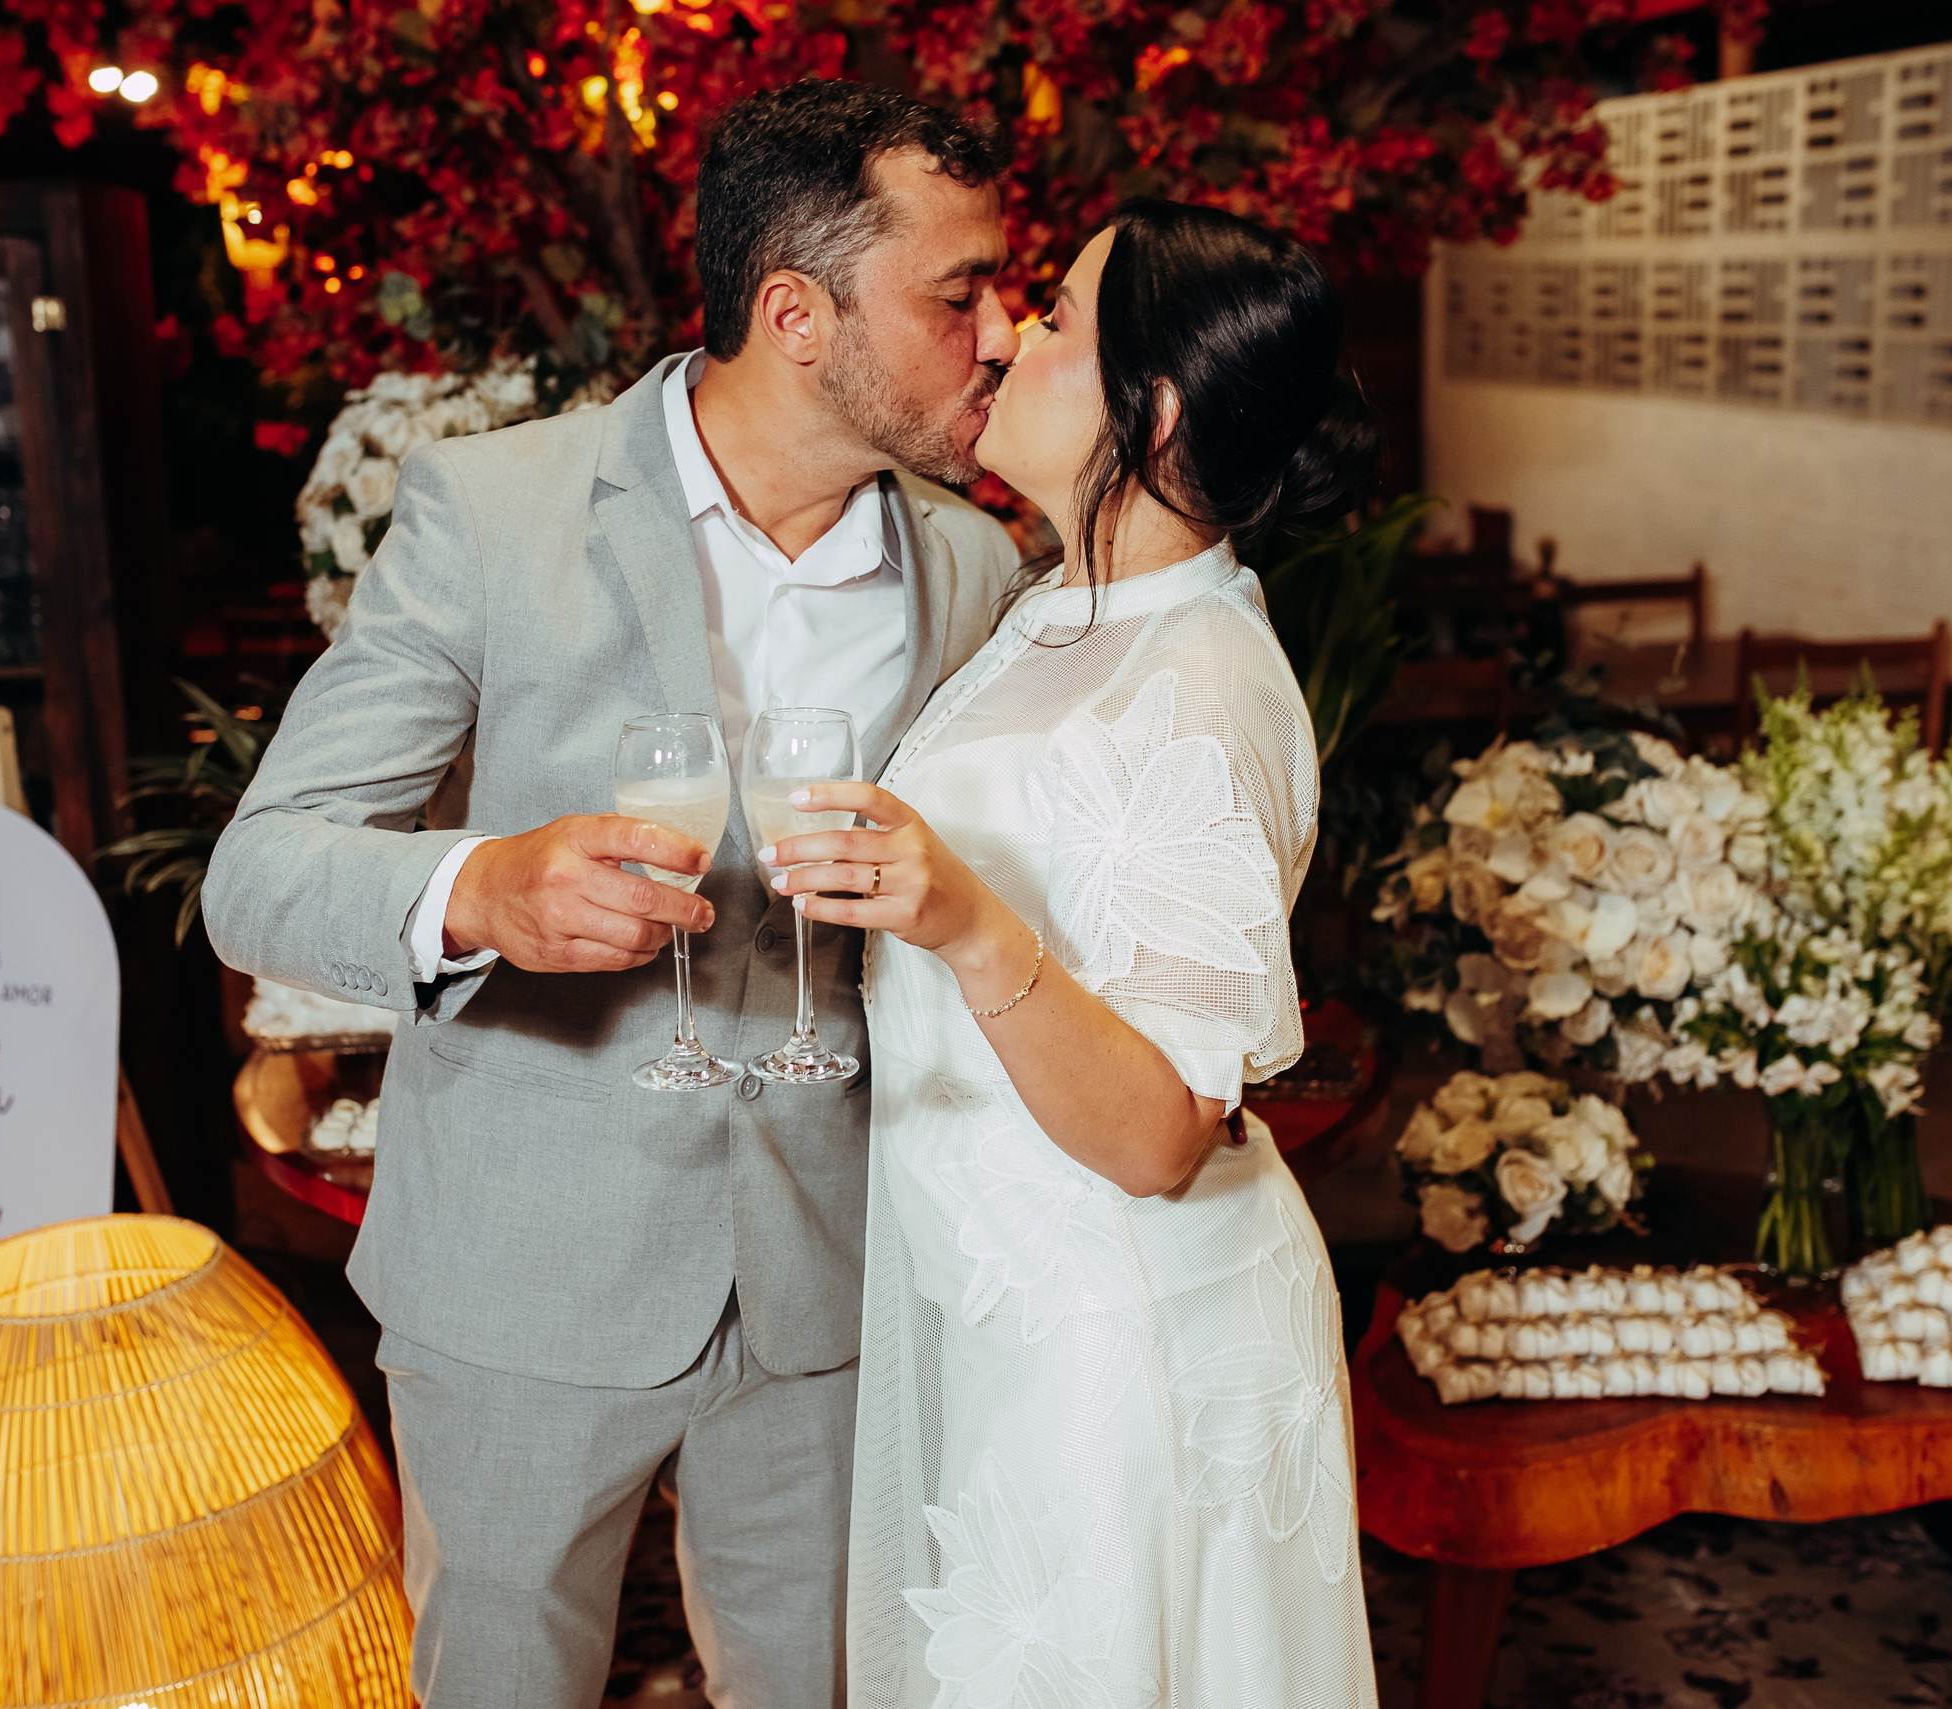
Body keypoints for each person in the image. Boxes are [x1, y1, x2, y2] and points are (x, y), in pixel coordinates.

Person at [201, 83, 1021, 1707]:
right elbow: (259, 868)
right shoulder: (489, 513)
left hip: (830, 1274)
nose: (998, 333)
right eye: (957, 294)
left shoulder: (973, 571)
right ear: (798, 313)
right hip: (523, 1269)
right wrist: (480, 886)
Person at [764, 200, 1383, 1705]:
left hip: (1129, 1341)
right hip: (1028, 1306)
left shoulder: (1200, 682)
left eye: (1056, 321)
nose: (1009, 335)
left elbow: (1166, 1131)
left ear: (1147, 410)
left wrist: (967, 918)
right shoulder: (1069, 609)